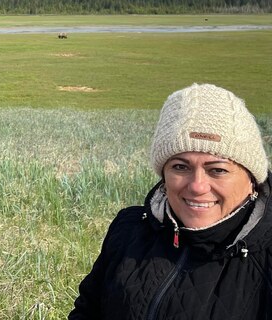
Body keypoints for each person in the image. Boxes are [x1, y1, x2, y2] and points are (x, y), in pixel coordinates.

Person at [69, 83, 272, 319]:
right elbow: (87, 311)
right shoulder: (128, 230)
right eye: (180, 166)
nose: (197, 186)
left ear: (251, 179)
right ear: (163, 174)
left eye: (217, 170)